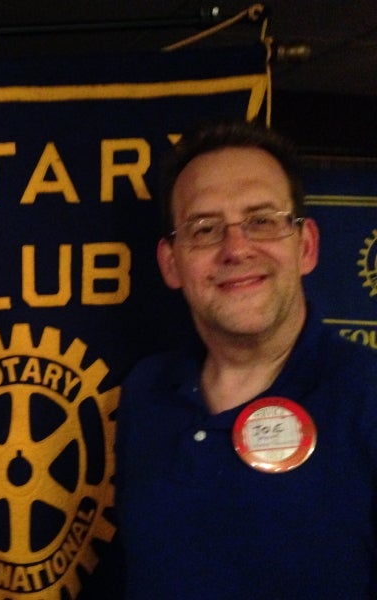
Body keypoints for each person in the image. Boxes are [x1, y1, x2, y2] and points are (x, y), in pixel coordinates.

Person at [114, 119, 377, 599]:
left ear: (307, 246)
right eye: (204, 228)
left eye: (262, 220)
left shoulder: (368, 395)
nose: (236, 249)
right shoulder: (144, 392)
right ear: (171, 263)